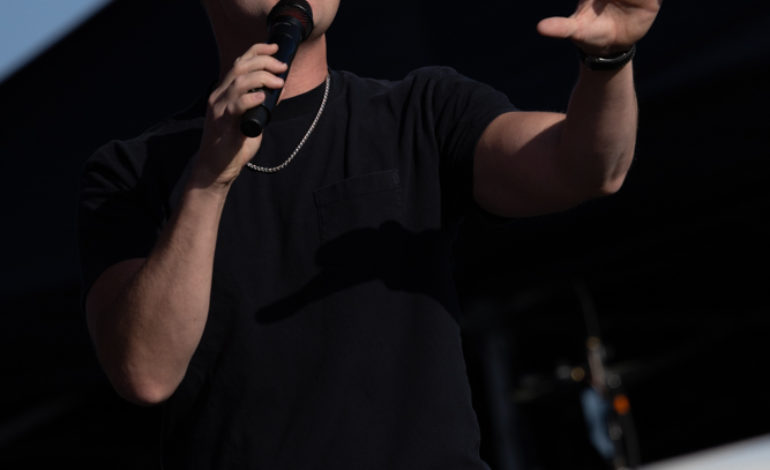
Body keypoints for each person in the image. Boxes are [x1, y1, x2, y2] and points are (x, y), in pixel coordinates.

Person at [77, 0, 662, 468]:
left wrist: (610, 58)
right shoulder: (132, 169)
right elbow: (144, 372)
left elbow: (586, 169)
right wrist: (208, 181)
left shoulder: (420, 111)